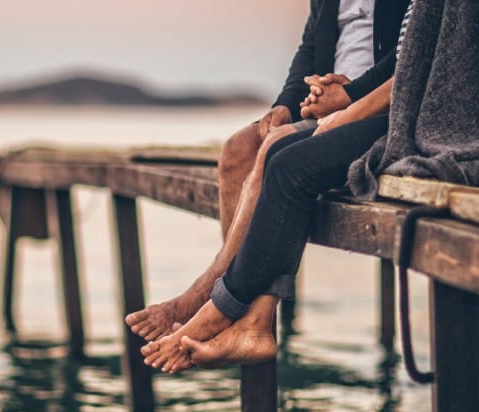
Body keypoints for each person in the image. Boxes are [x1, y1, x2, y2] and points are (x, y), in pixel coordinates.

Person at [144, 1, 416, 374]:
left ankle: (211, 297)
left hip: (375, 108)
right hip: (323, 104)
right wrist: (285, 106)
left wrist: (349, 97)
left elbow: (413, 53)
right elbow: (309, 48)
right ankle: (240, 310)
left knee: (277, 151)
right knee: (238, 149)